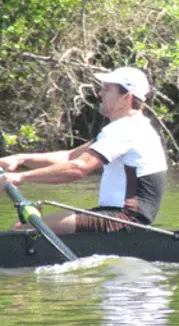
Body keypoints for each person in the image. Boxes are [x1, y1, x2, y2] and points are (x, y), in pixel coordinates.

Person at [0, 67, 168, 233]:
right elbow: (70, 157)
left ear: (126, 97)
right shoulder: (134, 126)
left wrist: (22, 176)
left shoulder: (125, 129)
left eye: (107, 89)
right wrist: (21, 159)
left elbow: (78, 168)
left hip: (125, 220)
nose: (100, 94)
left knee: (21, 230)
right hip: (117, 217)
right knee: (27, 228)